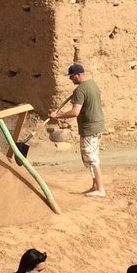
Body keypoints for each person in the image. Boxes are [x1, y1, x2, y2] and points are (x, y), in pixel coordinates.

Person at [49, 63, 105, 198]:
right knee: (92, 156)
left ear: (78, 75)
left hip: (89, 128)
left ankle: (101, 189)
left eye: (71, 76)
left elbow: (75, 112)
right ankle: (95, 186)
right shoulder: (92, 84)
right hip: (98, 125)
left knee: (92, 159)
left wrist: (57, 116)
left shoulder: (80, 91)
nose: (70, 79)